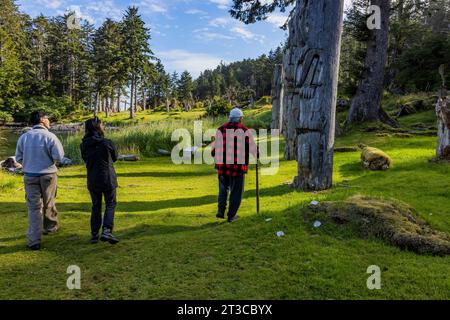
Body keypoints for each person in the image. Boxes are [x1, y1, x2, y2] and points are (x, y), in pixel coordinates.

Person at [15, 111, 65, 251]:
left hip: (30, 175)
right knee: (49, 202)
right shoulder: (50, 136)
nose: (49, 121)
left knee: (34, 208)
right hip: (48, 174)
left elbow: (18, 158)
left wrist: (30, 162)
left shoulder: (24, 137)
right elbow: (59, 157)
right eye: (48, 119)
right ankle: (50, 227)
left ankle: (34, 240)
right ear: (42, 120)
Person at [211, 107, 258, 223]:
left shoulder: (221, 129)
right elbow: (252, 148)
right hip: (237, 168)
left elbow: (214, 151)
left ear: (230, 118)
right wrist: (257, 154)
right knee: (236, 191)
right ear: (240, 119)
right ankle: (231, 216)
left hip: (223, 167)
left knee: (223, 189)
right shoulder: (245, 130)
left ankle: (221, 211)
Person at [80, 117, 119, 244]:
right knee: (110, 204)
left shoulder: (84, 145)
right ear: (98, 127)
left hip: (93, 178)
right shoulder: (107, 143)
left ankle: (94, 234)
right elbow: (115, 157)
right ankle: (107, 230)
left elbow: (85, 159)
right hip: (108, 177)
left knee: (96, 206)